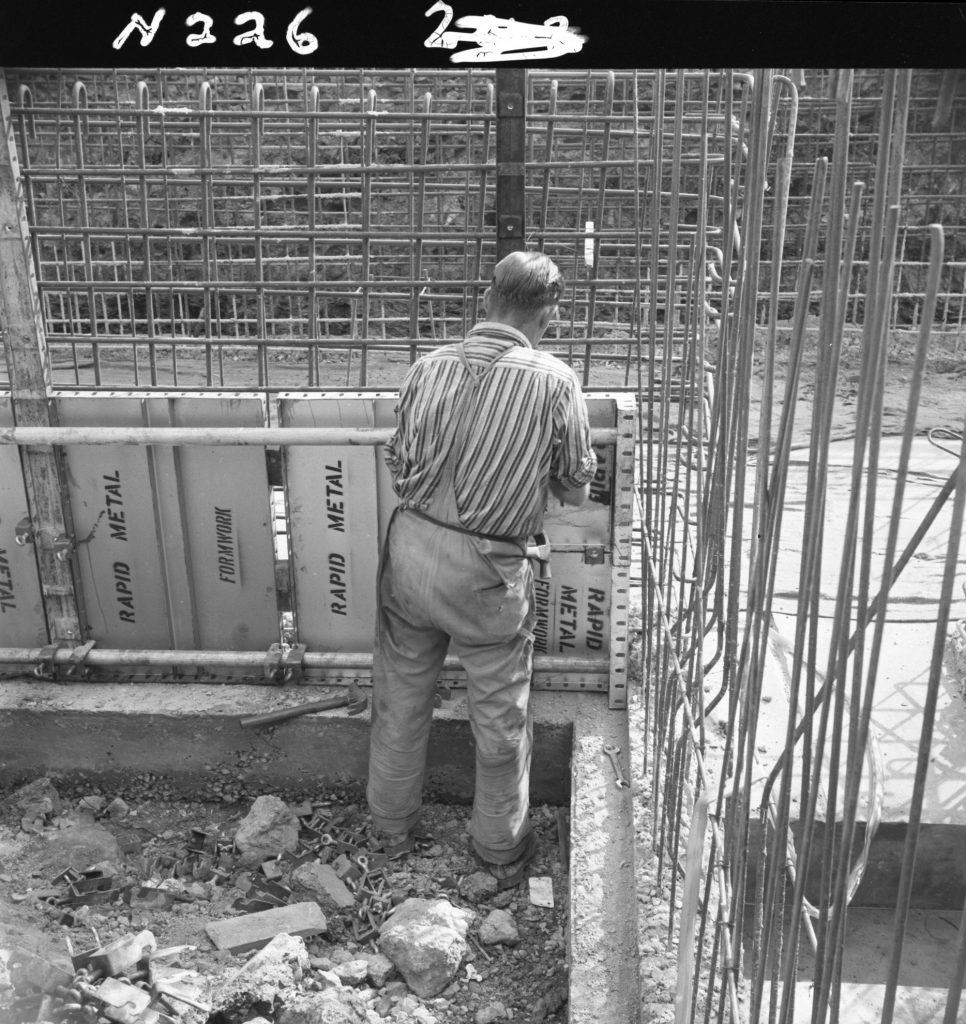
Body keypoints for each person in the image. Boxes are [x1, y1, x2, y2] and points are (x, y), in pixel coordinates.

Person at [366, 250, 597, 887]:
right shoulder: (553, 380)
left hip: (410, 550)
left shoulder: (426, 367)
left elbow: (400, 457)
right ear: (547, 312)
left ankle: (388, 826)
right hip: (488, 570)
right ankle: (498, 849)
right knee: (498, 715)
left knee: (400, 698)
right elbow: (575, 490)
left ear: (487, 296)